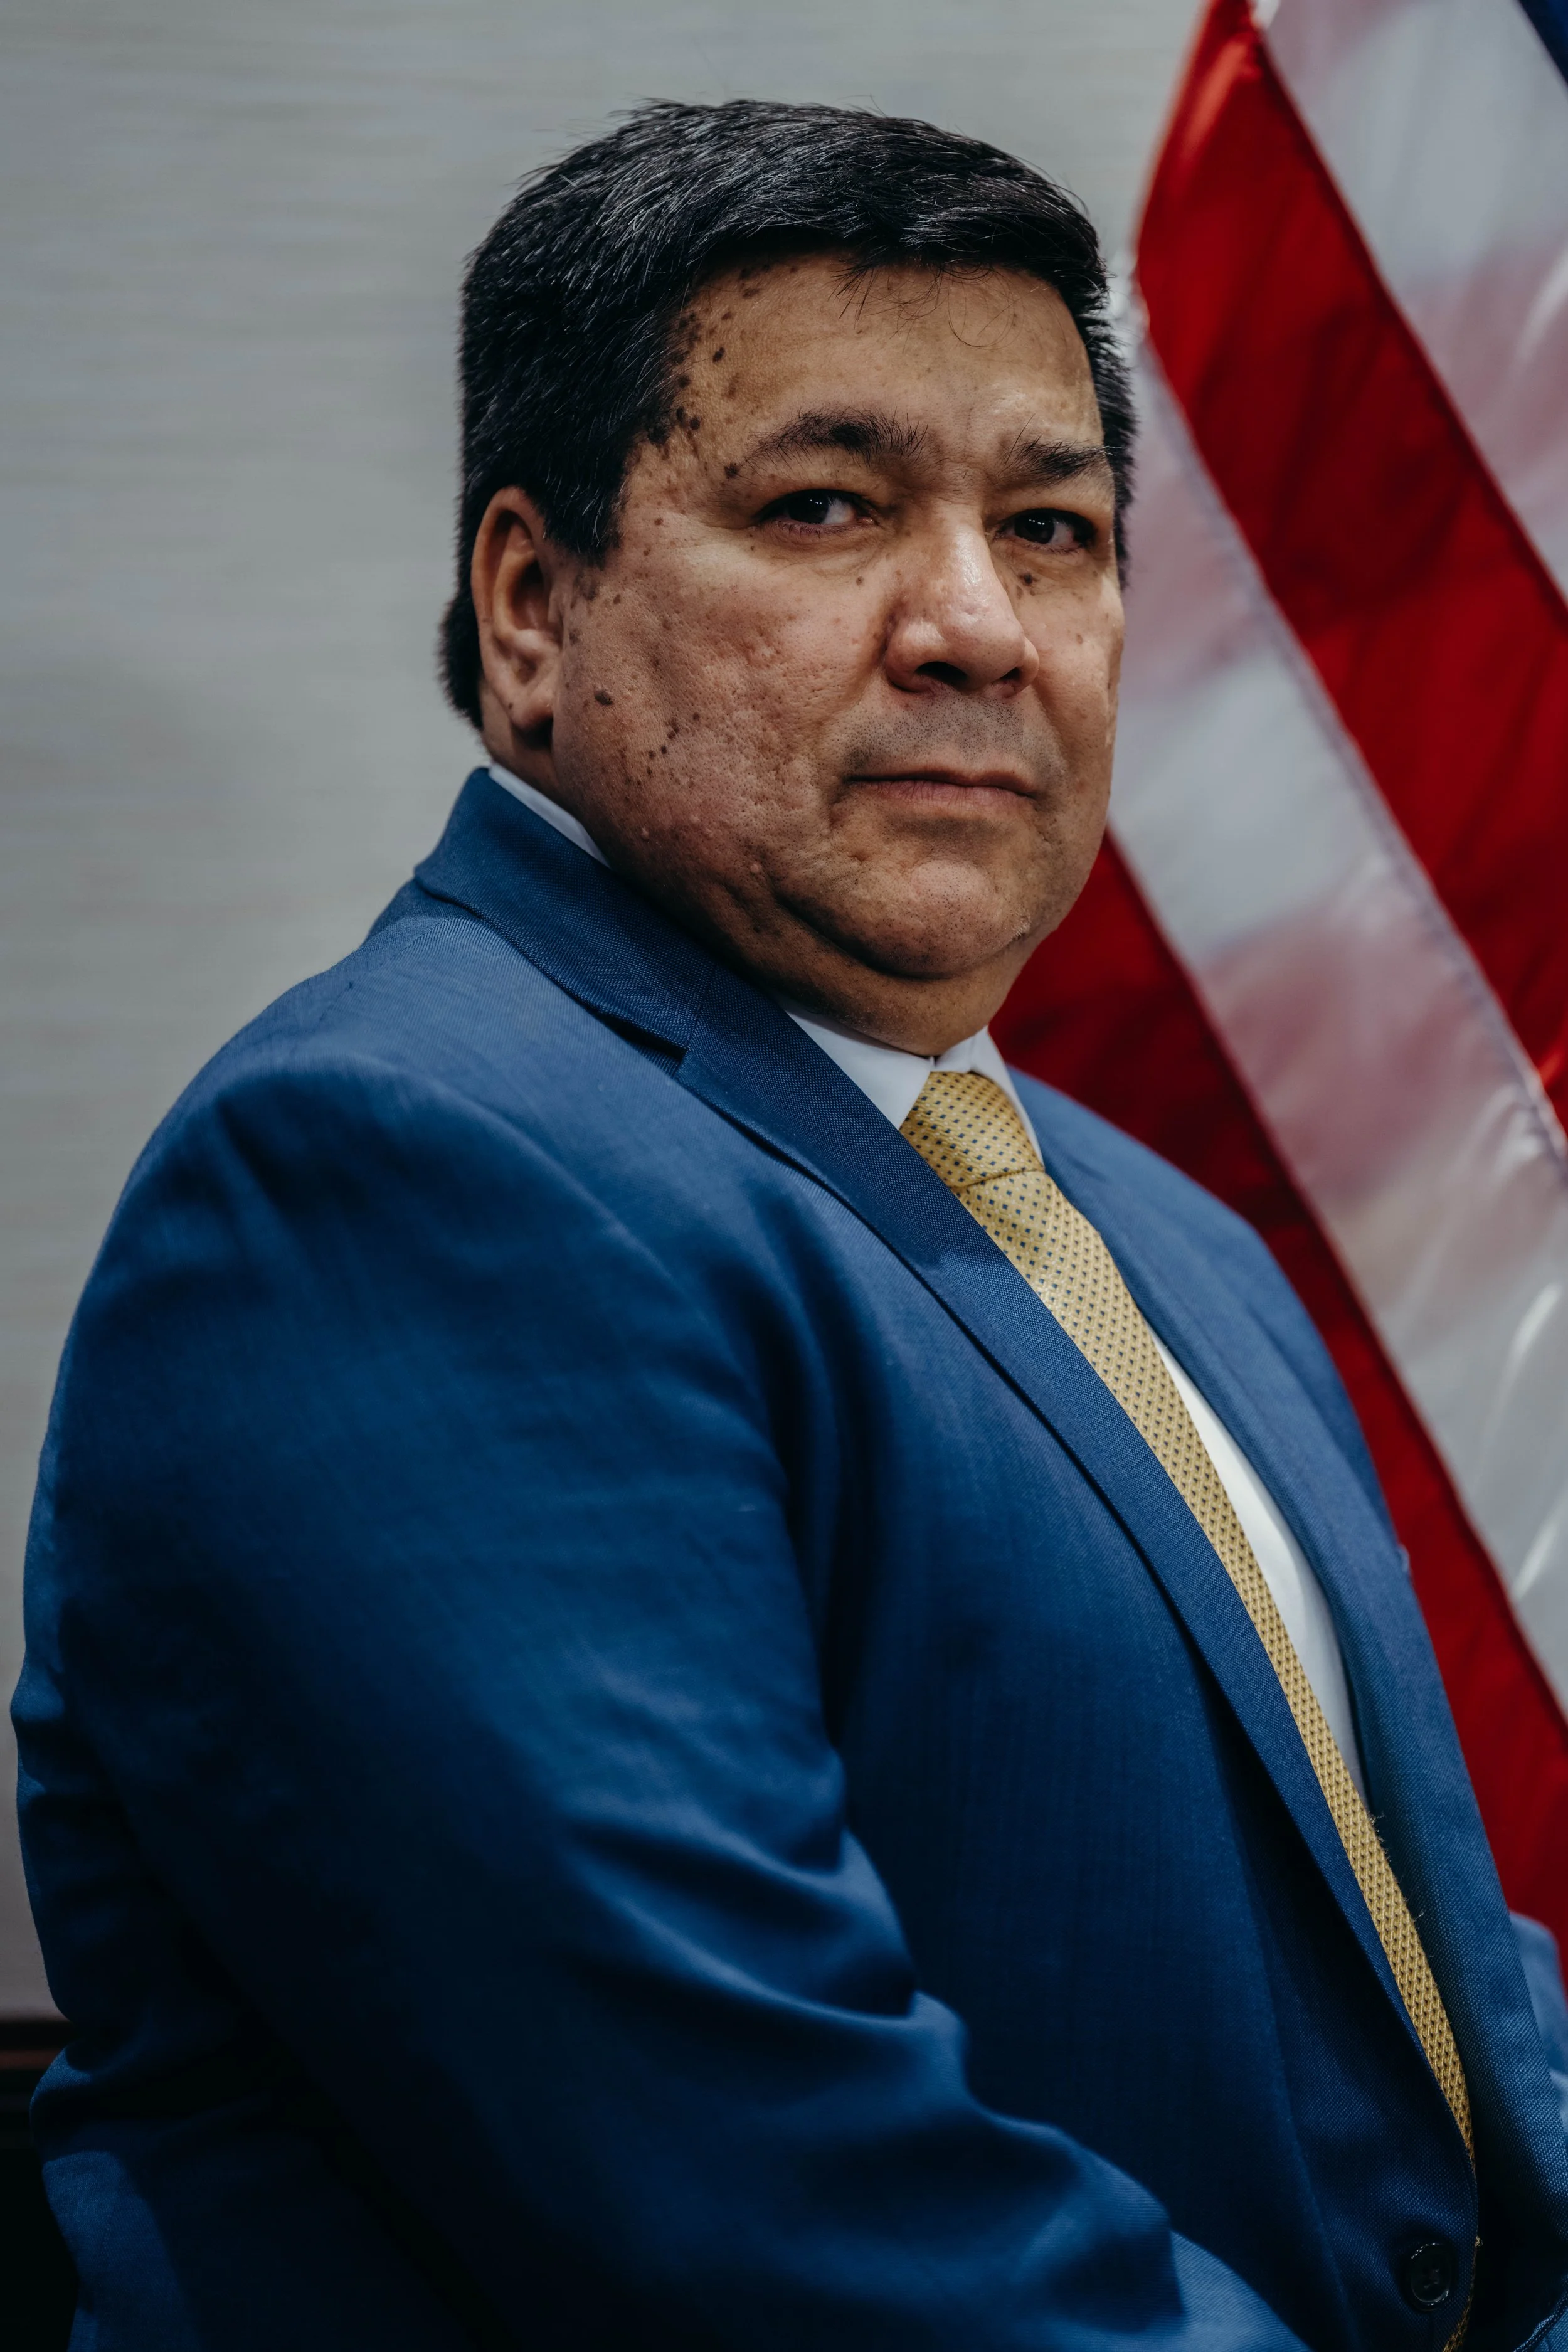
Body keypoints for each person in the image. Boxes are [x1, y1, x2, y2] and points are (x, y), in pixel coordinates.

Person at [14, 97, 1568, 2352]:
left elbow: (1434, 2011)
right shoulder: (400, 1165)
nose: (973, 625)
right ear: (531, 607)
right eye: (825, 507)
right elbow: (756, 2182)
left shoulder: (1165, 1236)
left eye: (1050, 526)